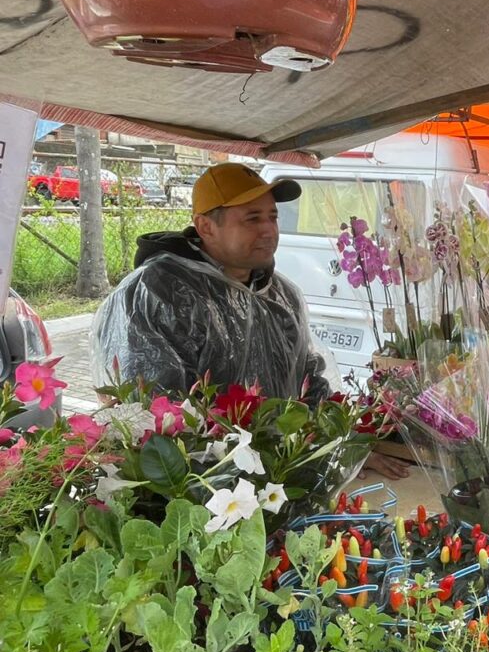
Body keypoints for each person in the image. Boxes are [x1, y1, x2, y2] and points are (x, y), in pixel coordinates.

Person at [92, 163, 409, 479]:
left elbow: (310, 382)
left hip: (282, 479)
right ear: (205, 226)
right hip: (198, 492)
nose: (269, 229)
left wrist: (339, 445)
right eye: (252, 219)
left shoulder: (281, 295)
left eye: (272, 217)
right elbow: (151, 415)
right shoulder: (157, 294)